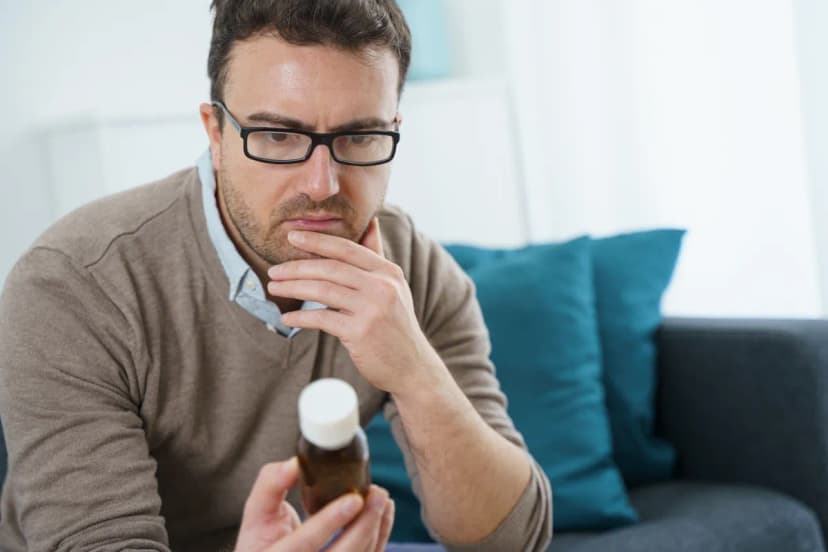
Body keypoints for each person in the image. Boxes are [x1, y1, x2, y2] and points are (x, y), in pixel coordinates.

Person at [0, 1, 553, 550]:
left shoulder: (411, 272)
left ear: (392, 131)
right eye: (278, 136)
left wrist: (414, 370)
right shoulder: (73, 287)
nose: (322, 185)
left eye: (359, 136)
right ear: (216, 134)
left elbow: (514, 539)